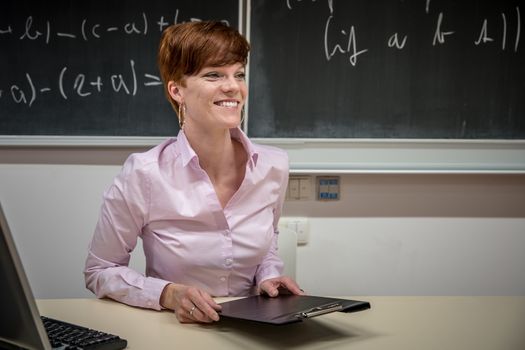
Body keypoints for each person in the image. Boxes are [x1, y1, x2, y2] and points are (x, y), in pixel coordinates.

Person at [84, 21, 303, 324]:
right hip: (174, 331)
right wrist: (167, 294)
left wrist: (268, 275)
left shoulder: (273, 166)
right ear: (177, 90)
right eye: (214, 74)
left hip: (255, 330)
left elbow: (268, 243)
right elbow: (100, 270)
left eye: (238, 74)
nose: (233, 86)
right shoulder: (144, 173)